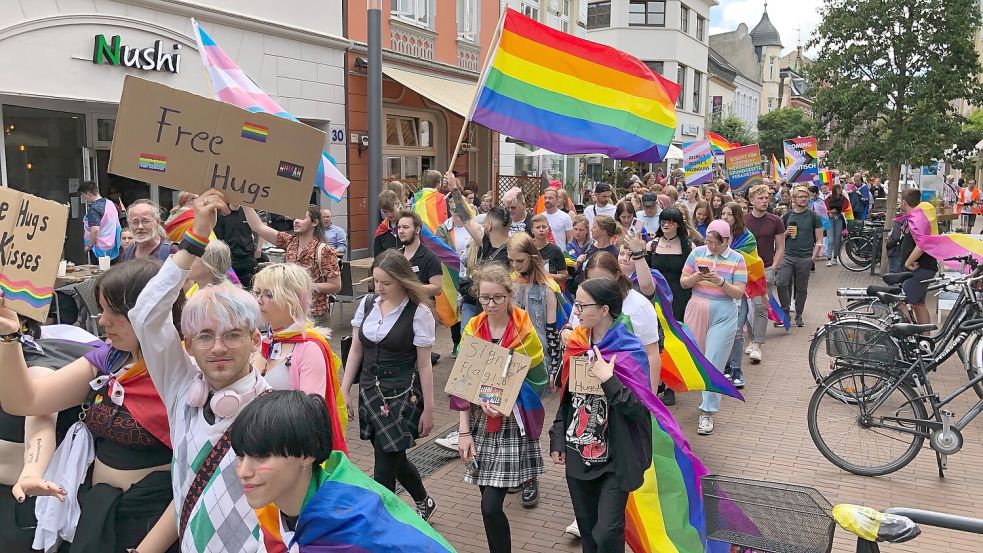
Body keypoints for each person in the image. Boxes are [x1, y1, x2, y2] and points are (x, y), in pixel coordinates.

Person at [0, 258, 177, 553]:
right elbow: (28, 400)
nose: (101, 320)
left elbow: (195, 473)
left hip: (152, 523)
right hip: (99, 513)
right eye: (101, 308)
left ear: (151, 311)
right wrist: (9, 336)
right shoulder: (110, 357)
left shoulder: (182, 374)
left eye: (114, 311)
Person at [128, 190, 272, 552]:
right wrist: (194, 240)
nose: (219, 347)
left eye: (232, 335)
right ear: (188, 345)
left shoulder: (277, 408)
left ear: (255, 340)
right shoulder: (181, 389)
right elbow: (145, 316)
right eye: (205, 336)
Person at [230, 390, 455, 552]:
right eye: (241, 456)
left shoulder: (353, 529)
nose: (244, 471)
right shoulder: (275, 507)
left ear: (306, 454)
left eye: (261, 457)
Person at [551, 277, 654, 552]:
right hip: (578, 453)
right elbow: (566, 398)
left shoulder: (629, 349)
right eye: (576, 304)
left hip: (614, 457)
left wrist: (609, 380)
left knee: (607, 533)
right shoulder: (575, 345)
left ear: (605, 310)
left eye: (582, 305)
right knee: (588, 533)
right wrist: (558, 438)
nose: (577, 311)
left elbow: (639, 410)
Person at [453, 263, 548, 553]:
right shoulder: (473, 326)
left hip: (511, 425)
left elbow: (539, 381)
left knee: (491, 505)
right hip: (481, 425)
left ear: (510, 294)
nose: (491, 304)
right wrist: (463, 431)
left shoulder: (523, 330)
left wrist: (506, 398)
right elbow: (463, 383)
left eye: (498, 297)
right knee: (487, 506)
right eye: (484, 298)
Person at [339, 250, 438, 520]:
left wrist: (429, 409)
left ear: (402, 280)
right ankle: (423, 501)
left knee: (384, 467)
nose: (379, 288)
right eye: (376, 281)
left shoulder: (419, 312)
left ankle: (381, 524)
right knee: (394, 455)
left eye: (386, 283)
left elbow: (424, 365)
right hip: (370, 390)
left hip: (403, 395)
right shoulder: (368, 303)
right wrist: (344, 389)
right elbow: (356, 351)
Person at [680, 220, 747, 435]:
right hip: (697, 307)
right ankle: (704, 395)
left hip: (724, 311)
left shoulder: (738, 259)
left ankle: (707, 412)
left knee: (713, 360)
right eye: (708, 241)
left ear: (727, 240)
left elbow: (738, 293)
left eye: (716, 243)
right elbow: (683, 282)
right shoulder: (697, 253)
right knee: (696, 357)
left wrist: (720, 282)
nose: (711, 247)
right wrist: (694, 278)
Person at [244, 205, 342, 327]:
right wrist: (245, 204)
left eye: (301, 218)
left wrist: (305, 285)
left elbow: (335, 286)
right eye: (295, 217)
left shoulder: (324, 250)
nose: (296, 221)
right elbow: (258, 227)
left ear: (315, 222)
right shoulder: (290, 242)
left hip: (315, 314)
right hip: (290, 313)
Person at [508, 233, 563, 387]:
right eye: (511, 260)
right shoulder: (509, 283)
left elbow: (552, 330)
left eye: (520, 261)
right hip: (511, 354)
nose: (515, 265)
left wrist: (554, 368)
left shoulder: (548, 287)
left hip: (540, 358)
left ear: (532, 257)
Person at [744, 185, 785, 357]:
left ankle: (757, 343)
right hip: (744, 268)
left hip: (765, 268)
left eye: (767, 198)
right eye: (760, 198)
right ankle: (752, 339)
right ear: (751, 200)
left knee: (760, 306)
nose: (764, 201)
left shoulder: (775, 221)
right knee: (745, 308)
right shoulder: (743, 220)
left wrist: (773, 268)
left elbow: (781, 247)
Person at [777, 186, 824, 328]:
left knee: (802, 287)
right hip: (788, 256)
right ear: (794, 199)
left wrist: (813, 259)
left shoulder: (813, 216)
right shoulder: (787, 216)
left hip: (805, 257)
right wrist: (786, 233)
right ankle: (785, 313)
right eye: (800, 197)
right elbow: (779, 239)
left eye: (805, 197)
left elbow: (819, 239)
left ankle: (799, 314)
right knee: (782, 283)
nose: (803, 199)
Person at [899, 188, 938, 325]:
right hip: (926, 267)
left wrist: (908, 262)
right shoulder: (917, 216)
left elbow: (921, 244)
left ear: (904, 202)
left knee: (901, 302)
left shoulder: (916, 218)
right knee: (918, 304)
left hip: (921, 267)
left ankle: (908, 339)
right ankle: (924, 339)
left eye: (900, 199)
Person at [648, 206, 693, 323]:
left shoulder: (689, 246)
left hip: (680, 294)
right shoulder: (651, 245)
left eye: (671, 222)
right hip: (656, 293)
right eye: (663, 221)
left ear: (678, 224)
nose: (666, 225)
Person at [213, 204, 260, 289]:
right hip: (230, 261)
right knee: (235, 287)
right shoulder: (220, 213)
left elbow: (260, 228)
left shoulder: (247, 211)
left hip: (248, 258)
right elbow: (218, 238)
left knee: (251, 288)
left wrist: (259, 249)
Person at [79, 180, 122, 261]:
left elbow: (95, 230)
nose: (84, 198)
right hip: (114, 245)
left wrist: (89, 246)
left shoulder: (94, 209)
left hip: (100, 249)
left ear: (89, 194)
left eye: (84, 196)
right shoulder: (111, 204)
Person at [531, 214, 569, 286]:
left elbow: (564, 275)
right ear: (532, 230)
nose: (541, 230)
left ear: (548, 229)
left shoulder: (556, 250)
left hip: (549, 289)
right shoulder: (527, 248)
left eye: (544, 227)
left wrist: (547, 276)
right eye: (538, 227)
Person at [824, 184, 849, 266]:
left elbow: (846, 209)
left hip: (839, 220)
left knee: (837, 239)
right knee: (830, 240)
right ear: (835, 190)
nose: (841, 190)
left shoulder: (843, 198)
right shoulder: (829, 198)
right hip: (830, 219)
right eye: (839, 189)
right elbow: (825, 208)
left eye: (841, 188)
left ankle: (835, 257)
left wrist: (839, 215)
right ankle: (828, 258)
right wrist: (828, 214)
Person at [373, 190, 402, 255]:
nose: (389, 215)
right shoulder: (381, 230)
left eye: (391, 210)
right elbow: (377, 256)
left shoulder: (408, 225)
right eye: (385, 211)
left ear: (397, 204)